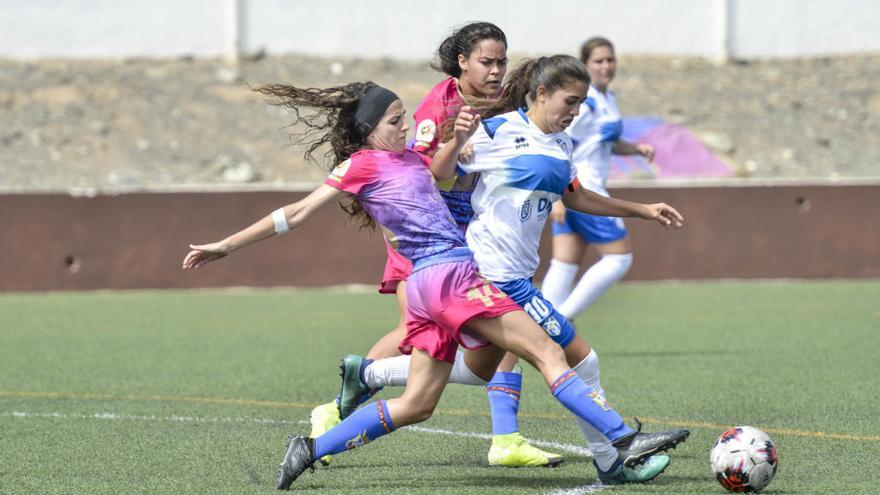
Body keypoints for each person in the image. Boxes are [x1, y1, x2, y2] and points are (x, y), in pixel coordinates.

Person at [181, 79, 687, 490]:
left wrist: (460, 136)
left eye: (405, 118)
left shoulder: (412, 160)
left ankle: (310, 449)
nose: (406, 126)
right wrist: (225, 246)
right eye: (395, 120)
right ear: (369, 128)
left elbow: (449, 175)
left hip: (429, 286)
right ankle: (621, 442)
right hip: (450, 277)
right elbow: (295, 211)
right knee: (547, 351)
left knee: (418, 405)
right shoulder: (360, 164)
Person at [343, 55, 688, 485]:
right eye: (570, 101)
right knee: (579, 358)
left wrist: (642, 210)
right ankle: (612, 458)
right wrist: (455, 150)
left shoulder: (561, 143)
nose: (575, 112)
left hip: (517, 275)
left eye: (581, 104)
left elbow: (576, 196)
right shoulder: (496, 131)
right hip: (492, 275)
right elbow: (436, 175)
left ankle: (369, 372)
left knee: (476, 369)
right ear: (540, 94)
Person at [308, 21, 562, 469]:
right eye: (487, 61)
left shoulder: (497, 103)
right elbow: (415, 177)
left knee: (506, 317)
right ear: (462, 62)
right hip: (428, 241)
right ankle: (336, 406)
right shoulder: (435, 108)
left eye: (502, 61)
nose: (497, 70)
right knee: (419, 337)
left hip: (474, 234)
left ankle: (506, 438)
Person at [541, 37, 655, 320]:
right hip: (583, 187)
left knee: (565, 261)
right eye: (599, 61)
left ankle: (541, 323)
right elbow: (557, 141)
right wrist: (556, 196)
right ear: (585, 65)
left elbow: (605, 142)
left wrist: (635, 148)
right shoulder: (586, 103)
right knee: (619, 257)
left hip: (575, 188)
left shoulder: (607, 99)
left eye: (610, 59)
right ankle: (562, 319)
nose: (606, 66)